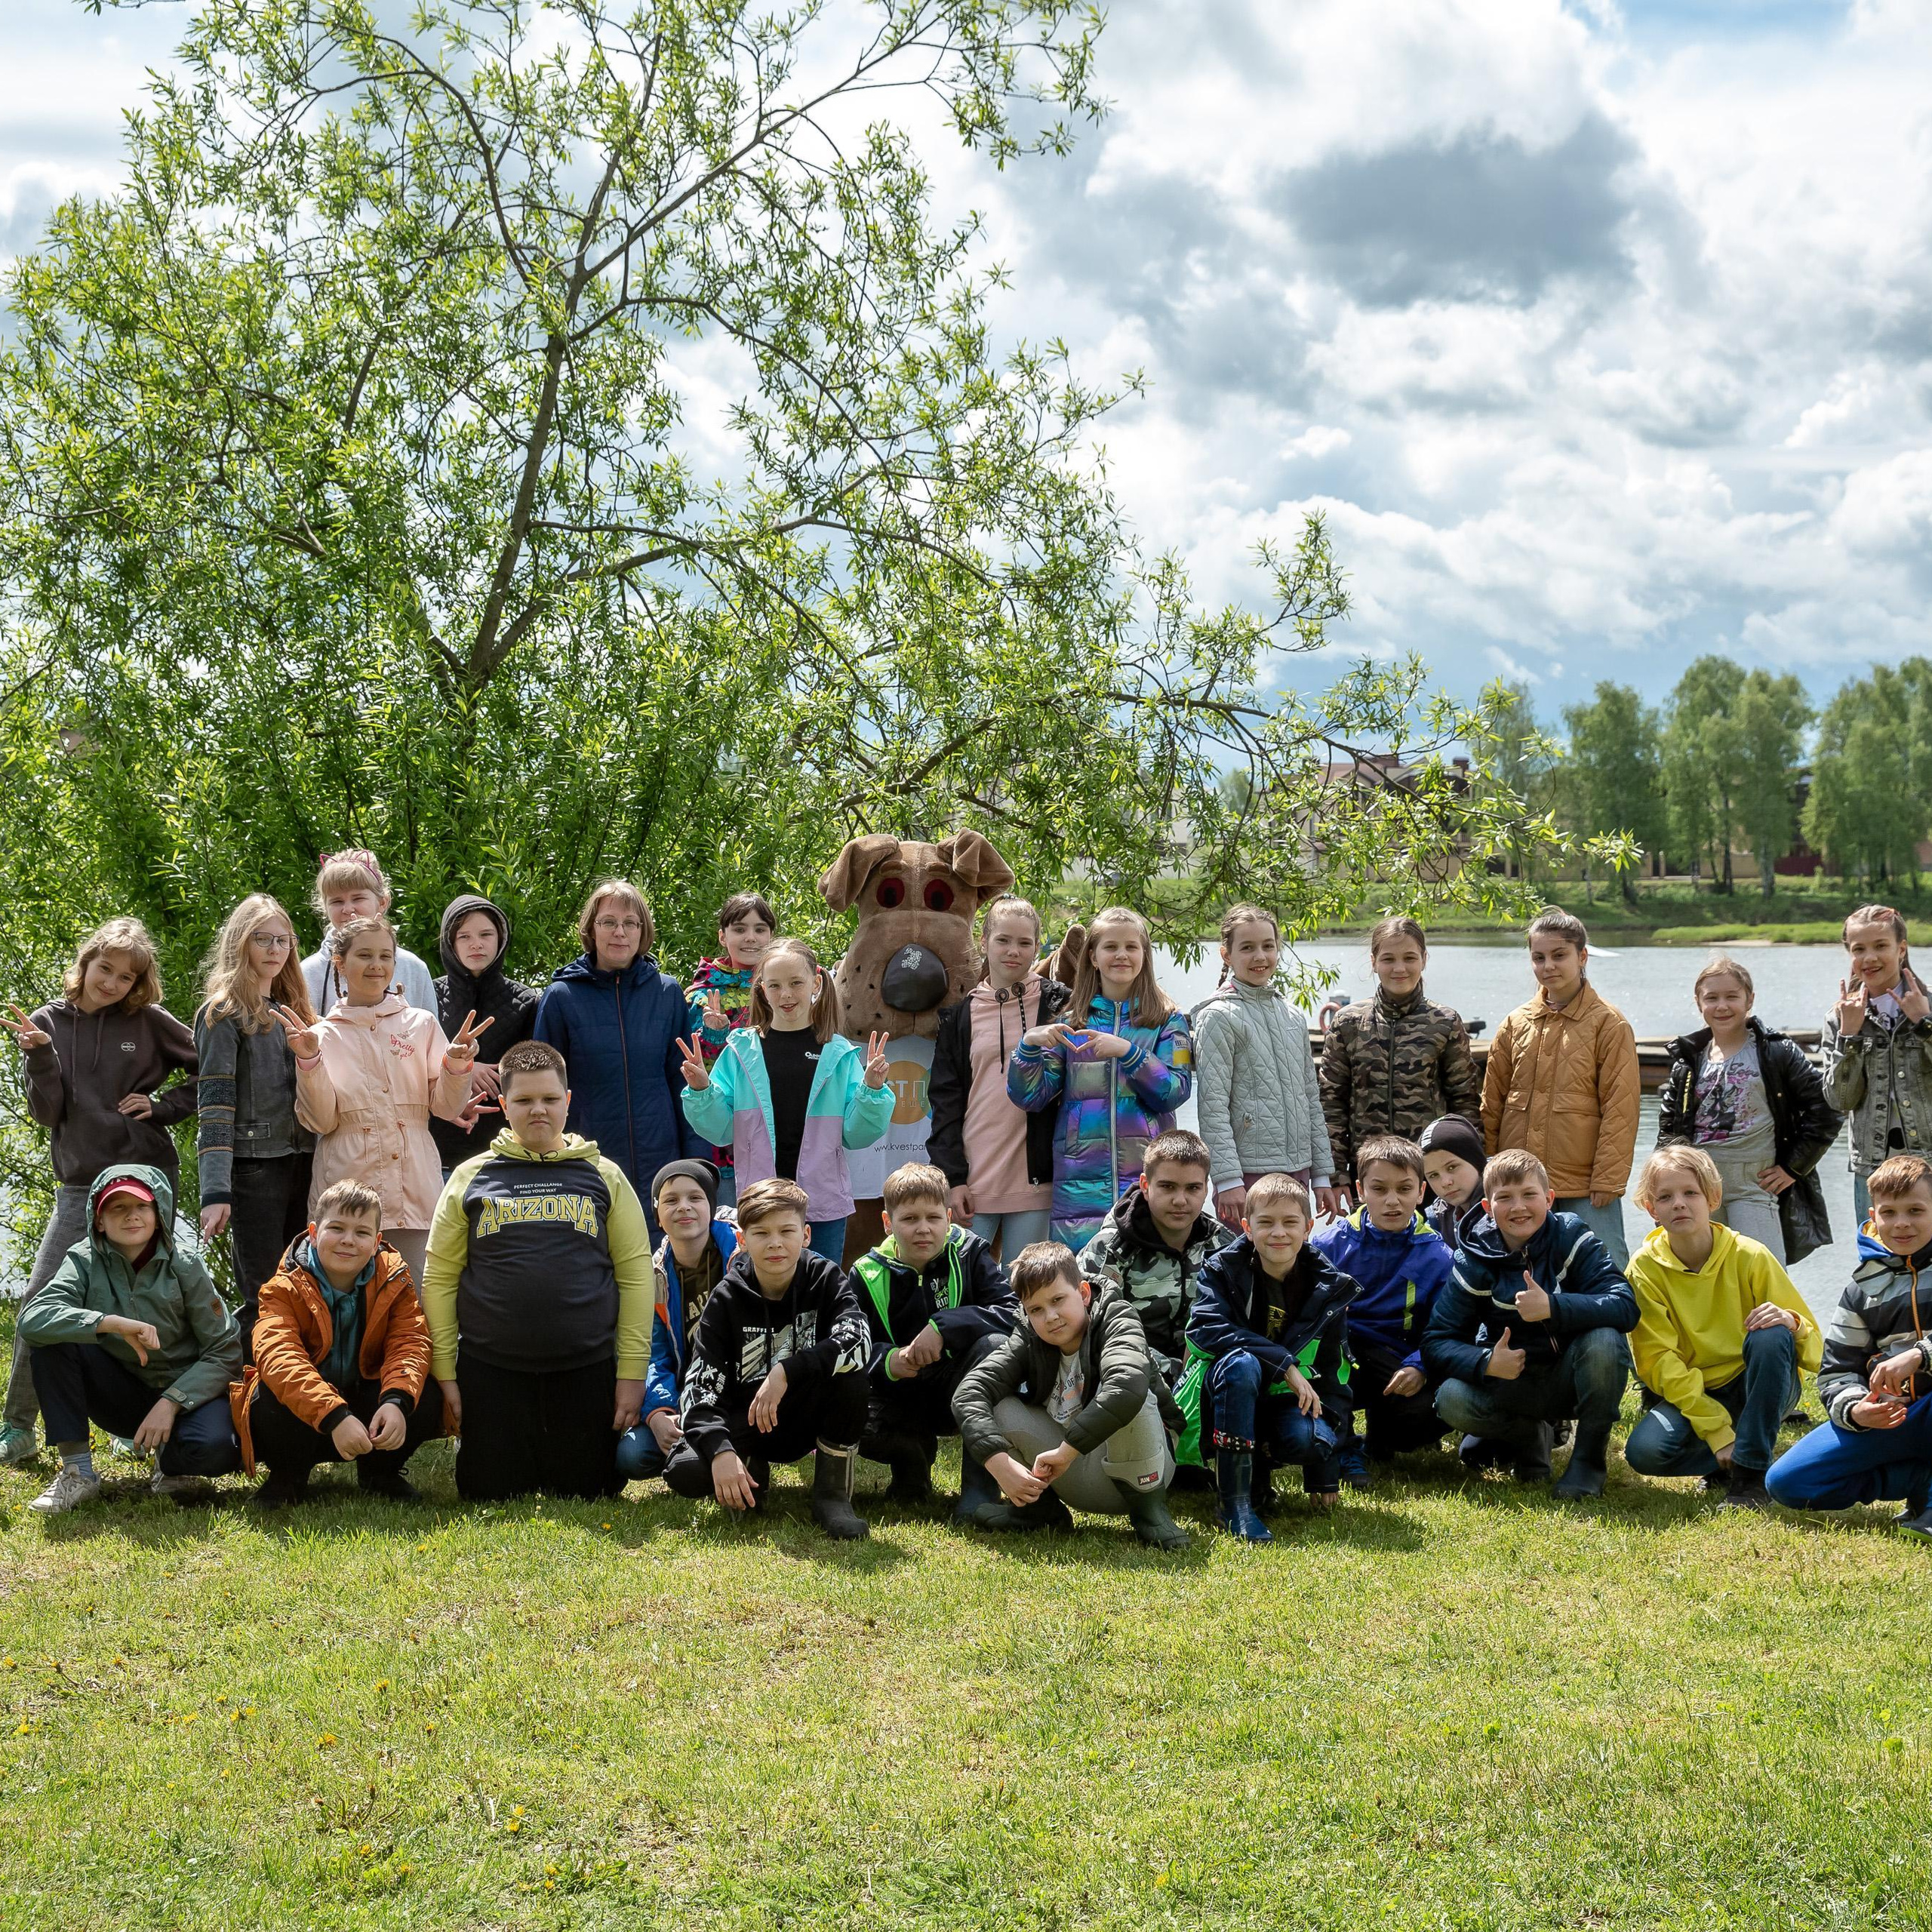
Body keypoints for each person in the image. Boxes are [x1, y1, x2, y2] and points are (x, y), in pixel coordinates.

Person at [1, 918, 198, 1463]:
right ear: (85, 963)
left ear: (138, 984)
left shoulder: (149, 1021)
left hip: (145, 1179)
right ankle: (16, 1426)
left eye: (125, 976)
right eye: (104, 968)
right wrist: (40, 1055)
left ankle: (129, 1419)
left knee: (141, 1298)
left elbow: (212, 1070)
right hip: (80, 1184)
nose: (110, 983)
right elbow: (47, 1114)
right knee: (43, 1298)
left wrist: (163, 1108)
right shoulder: (46, 1022)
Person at [422, 1039, 654, 1503]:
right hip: (492, 1369)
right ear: (503, 1105)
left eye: (550, 1099)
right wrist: (447, 1373)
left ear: (568, 1101)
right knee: (488, 1491)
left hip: (585, 1367)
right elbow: (439, 1278)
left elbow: (635, 1276)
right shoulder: (470, 1177)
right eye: (524, 1101)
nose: (538, 1111)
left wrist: (630, 1375)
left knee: (590, 1490)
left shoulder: (604, 1176)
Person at [20, 1164, 240, 1515]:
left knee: (216, 1450)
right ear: (100, 1220)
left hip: (187, 1395)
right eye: (118, 1208)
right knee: (54, 1341)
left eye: (141, 1207)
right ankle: (78, 1472)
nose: (132, 1216)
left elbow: (225, 1349)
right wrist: (109, 1323)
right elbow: (33, 1319)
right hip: (121, 1393)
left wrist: (172, 1402)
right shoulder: (82, 1259)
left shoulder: (186, 1263)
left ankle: (171, 1463)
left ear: (158, 1214)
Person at [661, 1177, 872, 1540]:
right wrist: (720, 1450)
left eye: (786, 1231)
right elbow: (700, 1385)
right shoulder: (727, 1297)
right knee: (686, 1470)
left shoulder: (826, 1278)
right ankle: (748, 1468)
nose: (775, 1243)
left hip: (806, 1412)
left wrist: (788, 1371)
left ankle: (832, 1495)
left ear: (806, 1236)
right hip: (748, 1416)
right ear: (742, 1241)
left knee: (851, 1375)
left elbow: (860, 1340)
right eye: (761, 1233)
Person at [1423, 1149, 1638, 1499]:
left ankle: (1587, 1461)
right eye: (1504, 1198)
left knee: (1604, 1340)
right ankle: (1528, 1435)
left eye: (1529, 1195)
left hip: (1571, 1378)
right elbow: (1437, 1341)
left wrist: (1553, 1307)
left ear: (1550, 1200)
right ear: (1487, 1209)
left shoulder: (1571, 1234)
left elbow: (1625, 1305)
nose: (1518, 1207)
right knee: (1451, 1398)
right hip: (1512, 1383)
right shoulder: (1473, 1258)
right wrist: (1486, 1362)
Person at [951, 1241, 1189, 1548]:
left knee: (1133, 1393)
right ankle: (1038, 1510)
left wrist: (1067, 1451)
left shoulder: (1118, 1317)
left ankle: (1151, 1515)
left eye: (1058, 1299)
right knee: (1001, 1405)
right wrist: (998, 1462)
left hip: (1145, 1469)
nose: (1050, 1316)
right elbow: (969, 1393)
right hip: (1075, 1474)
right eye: (1036, 1309)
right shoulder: (1026, 1337)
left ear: (1085, 1294)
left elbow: (1127, 1385)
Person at [283, 917, 481, 1283]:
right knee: (348, 1305)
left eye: (385, 956)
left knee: (419, 1300)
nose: (377, 965)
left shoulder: (420, 1024)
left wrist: (456, 1063)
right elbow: (321, 1122)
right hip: (345, 1192)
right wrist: (309, 1061)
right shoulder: (319, 1036)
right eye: (365, 955)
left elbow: (447, 1109)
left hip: (415, 1189)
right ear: (339, 962)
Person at [1623, 1147, 1820, 1512]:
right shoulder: (1643, 1270)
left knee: (1772, 1332)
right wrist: (1717, 1433)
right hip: (1698, 1390)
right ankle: (1736, 1451)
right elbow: (1658, 1362)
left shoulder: (1751, 1255)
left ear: (1713, 1199)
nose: (1679, 1204)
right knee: (1644, 1453)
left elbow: (1816, 1349)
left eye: (1690, 1193)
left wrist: (1793, 1323)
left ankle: (1750, 1476)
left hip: (1760, 1381)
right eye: (1665, 1197)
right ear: (1652, 1210)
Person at [678, 937, 892, 1263]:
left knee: (821, 1298)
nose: (787, 994)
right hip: (760, 1203)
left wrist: (873, 1091)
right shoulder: (740, 1050)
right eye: (775, 985)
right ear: (762, 988)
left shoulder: (839, 1054)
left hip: (822, 1206)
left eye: (796, 983)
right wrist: (702, 1091)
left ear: (816, 983)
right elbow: (721, 1131)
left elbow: (856, 1134)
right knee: (763, 1301)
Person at [232, 1178, 445, 1506]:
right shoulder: (281, 1287)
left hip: (366, 1401)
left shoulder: (395, 1279)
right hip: (312, 1414)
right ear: (314, 1233)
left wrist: (396, 1402)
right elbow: (278, 1356)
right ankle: (287, 1476)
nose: (348, 1241)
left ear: (376, 1243)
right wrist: (333, 1415)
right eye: (337, 1228)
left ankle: (381, 1473)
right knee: (269, 1394)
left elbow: (410, 1340)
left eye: (361, 1233)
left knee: (422, 1393)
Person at [1007, 905, 1193, 1253]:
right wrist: (1028, 1049)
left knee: (1148, 1282)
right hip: (1078, 1182)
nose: (1121, 955)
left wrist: (1129, 1053)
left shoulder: (1169, 1021)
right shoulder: (1073, 1020)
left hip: (1149, 1179)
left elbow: (1175, 1091)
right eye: (1110, 947)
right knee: (1081, 1286)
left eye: (1131, 947)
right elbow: (1030, 1098)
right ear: (1093, 956)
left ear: (1144, 956)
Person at [1185, 1172, 1358, 1542]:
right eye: (1266, 1222)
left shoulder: (1328, 1286)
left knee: (1315, 1440)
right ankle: (1234, 1502)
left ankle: (1259, 1472)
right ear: (1247, 1228)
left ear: (1308, 1227)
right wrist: (1285, 1365)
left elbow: (1334, 1372)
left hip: (1280, 1401)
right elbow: (1205, 1328)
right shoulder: (1220, 1269)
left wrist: (1323, 1474)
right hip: (1221, 1396)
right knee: (1243, 1364)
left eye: (1290, 1222)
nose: (1278, 1232)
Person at [1766, 1152, 1932, 1537]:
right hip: (1898, 1419)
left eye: (1916, 1210)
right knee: (1788, 1482)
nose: (1902, 1223)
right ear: (1874, 1217)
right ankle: (1918, 1481)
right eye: (1889, 1213)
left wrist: (1919, 1354)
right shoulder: (1860, 1289)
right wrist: (1857, 1410)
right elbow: (1837, 1369)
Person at [849, 1162, 1017, 1506]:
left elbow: (1014, 1313)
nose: (923, 1229)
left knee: (996, 1346)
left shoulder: (971, 1254)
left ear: (949, 1218)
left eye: (933, 1218)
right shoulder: (864, 1274)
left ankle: (979, 1494)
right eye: (910, 1219)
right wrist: (888, 1360)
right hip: (897, 1395)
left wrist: (944, 1328)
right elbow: (850, 1345)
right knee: (843, 1404)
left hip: (958, 1390)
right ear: (887, 1223)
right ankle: (912, 1463)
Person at [1479, 906, 1639, 1267]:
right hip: (1519, 1185)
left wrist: (1608, 1180)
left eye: (1559, 955)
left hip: (1585, 1184)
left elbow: (1622, 1109)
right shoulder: (1514, 1023)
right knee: (1521, 1271)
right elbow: (1492, 1103)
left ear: (1582, 956)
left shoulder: (1609, 1025)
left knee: (1604, 1269)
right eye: (1539, 957)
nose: (1548, 965)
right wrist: (1488, 1169)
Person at [1656, 955, 1841, 1266]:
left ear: (1750, 999)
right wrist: (1662, 1186)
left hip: (1753, 1183)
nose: (1722, 1006)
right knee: (1702, 1277)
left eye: (1732, 996)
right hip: (1697, 1185)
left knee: (1764, 1275)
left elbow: (1826, 1108)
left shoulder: (1776, 1051)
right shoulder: (1688, 1060)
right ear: (1698, 1003)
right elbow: (1668, 1128)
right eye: (1711, 998)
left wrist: (1794, 1167)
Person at [194, 894, 316, 1357]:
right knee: (264, 1295)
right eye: (261, 939)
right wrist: (215, 1192)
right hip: (253, 1169)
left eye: (282, 940)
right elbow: (215, 1105)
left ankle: (304, 1401)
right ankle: (255, 1408)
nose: (273, 949)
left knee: (307, 1289)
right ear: (240, 943)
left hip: (306, 1162)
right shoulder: (223, 1012)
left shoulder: (297, 1008)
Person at [533, 878, 698, 1221]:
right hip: (586, 1163)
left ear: (643, 931)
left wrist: (693, 1163)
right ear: (592, 930)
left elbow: (684, 1084)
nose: (619, 932)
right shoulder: (561, 998)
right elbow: (542, 1091)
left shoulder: (667, 994)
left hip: (660, 1163)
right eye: (609, 922)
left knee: (659, 1266)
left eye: (630, 923)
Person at [928, 894, 1067, 1256]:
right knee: (961, 1293)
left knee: (1027, 1293)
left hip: (1037, 1184)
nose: (1013, 951)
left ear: (1038, 947)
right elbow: (945, 1104)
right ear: (983, 941)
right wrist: (952, 1178)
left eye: (1024, 943)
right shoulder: (959, 1018)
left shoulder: (1060, 1006)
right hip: (972, 1183)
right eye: (1003, 940)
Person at [1312, 1135, 1454, 1481]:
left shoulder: (1438, 1256)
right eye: (1380, 1189)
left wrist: (1420, 1366)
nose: (1393, 1201)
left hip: (1397, 1358)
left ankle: (1379, 1437)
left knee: (1424, 1417)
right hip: (1341, 1353)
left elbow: (1446, 1327)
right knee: (1329, 1357)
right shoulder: (1329, 1245)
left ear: (1421, 1192)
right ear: (1361, 1190)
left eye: (1405, 1190)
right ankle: (1342, 1449)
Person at [1190, 903, 1336, 1229]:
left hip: (1297, 1169)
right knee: (1248, 1268)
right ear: (1226, 954)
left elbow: (1311, 1100)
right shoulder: (1218, 1017)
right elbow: (1212, 1105)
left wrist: (1322, 1174)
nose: (1260, 956)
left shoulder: (1292, 1016)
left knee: (1294, 1266)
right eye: (1247, 948)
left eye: (1268, 946)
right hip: (1247, 1175)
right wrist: (1227, 1179)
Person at [1317, 916, 1481, 1204]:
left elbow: (1464, 1102)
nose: (1399, 968)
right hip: (1369, 1172)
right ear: (1374, 962)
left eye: (1409, 958)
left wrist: (1474, 1168)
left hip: (1432, 1172)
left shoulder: (1444, 1022)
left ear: (1424, 959)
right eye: (1388, 959)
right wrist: (1336, 1174)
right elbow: (1331, 1103)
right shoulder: (1348, 1023)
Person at [616, 1158, 738, 1484]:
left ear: (711, 1206)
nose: (683, 1207)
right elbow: (653, 1354)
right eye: (671, 1200)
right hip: (687, 1396)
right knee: (633, 1456)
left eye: (695, 1198)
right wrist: (659, 1413)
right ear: (657, 1215)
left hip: (738, 1394)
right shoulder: (653, 1276)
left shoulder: (742, 1258)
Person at [1077, 1128, 1230, 1386]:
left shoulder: (1222, 1246)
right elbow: (1092, 1330)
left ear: (1206, 1189)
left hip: (1205, 1374)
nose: (1180, 1200)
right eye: (1168, 1187)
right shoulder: (1110, 1249)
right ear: (1146, 1186)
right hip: (1131, 1375)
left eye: (1193, 1188)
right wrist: (1171, 1371)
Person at [1821, 905, 1932, 1229]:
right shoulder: (1839, 1018)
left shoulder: (1929, 1007)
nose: (1869, 958)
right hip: (1873, 1168)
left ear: (1901, 949)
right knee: (1879, 1265)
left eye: (1880, 946)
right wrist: (1849, 1037)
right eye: (1859, 949)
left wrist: (1924, 1024)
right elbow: (1839, 1100)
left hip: (1930, 1163)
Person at [429, 893, 540, 1174]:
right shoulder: (429, 995)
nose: (476, 944)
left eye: (486, 934)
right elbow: (413, 1063)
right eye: (464, 936)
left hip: (506, 1152)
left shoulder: (527, 1001)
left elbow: (535, 1071)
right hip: (438, 1150)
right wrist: (465, 1068)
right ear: (449, 943)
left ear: (500, 939)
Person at [684, 892, 779, 1208]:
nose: (751, 937)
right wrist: (715, 1033)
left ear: (772, 935)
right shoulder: (701, 993)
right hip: (728, 1140)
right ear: (723, 936)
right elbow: (699, 1069)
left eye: (760, 928)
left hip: (785, 1128)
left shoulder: (789, 983)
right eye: (740, 929)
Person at [300, 849, 437, 1014]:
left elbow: (430, 1036)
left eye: (358, 898)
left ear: (382, 902)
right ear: (325, 908)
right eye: (337, 901)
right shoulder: (308, 973)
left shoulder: (413, 968)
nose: (348, 909)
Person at [1419, 1115, 1486, 1254]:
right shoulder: (1438, 1217)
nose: (1445, 1183)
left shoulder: (1504, 1208)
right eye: (1433, 1175)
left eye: (1452, 1167)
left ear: (1476, 1161)